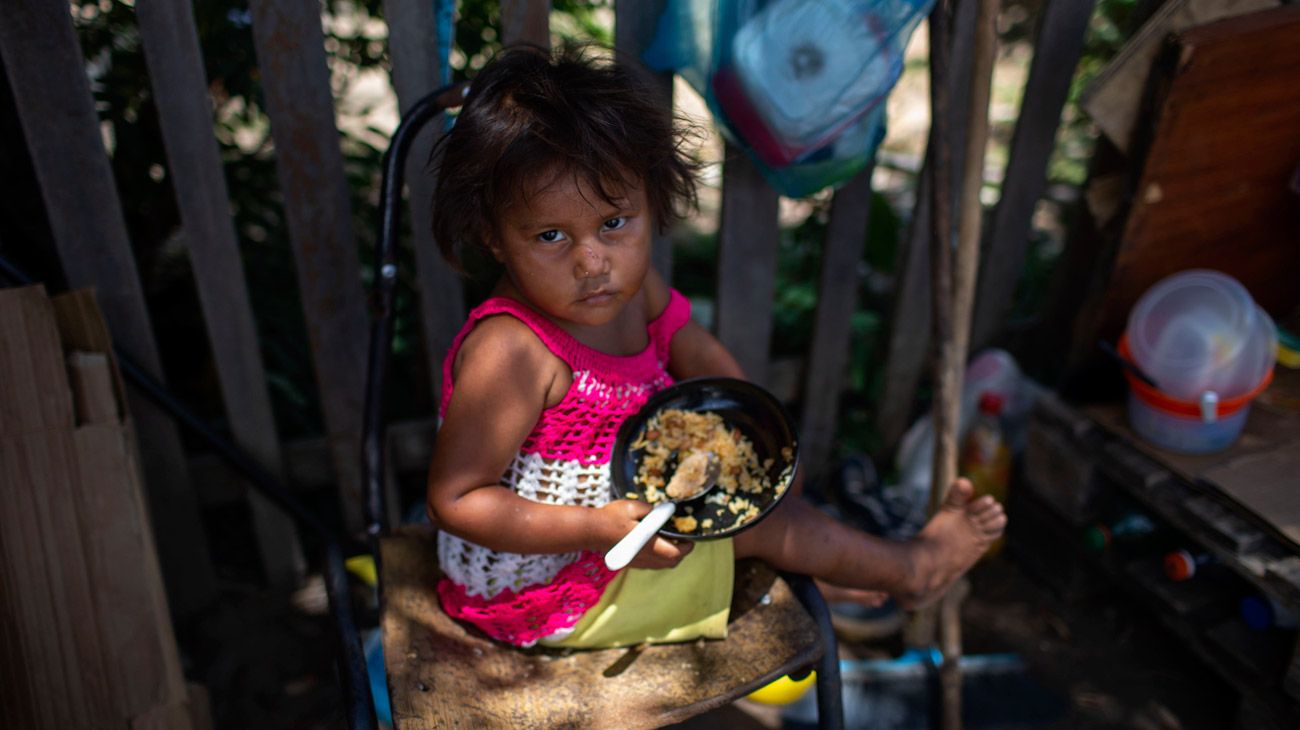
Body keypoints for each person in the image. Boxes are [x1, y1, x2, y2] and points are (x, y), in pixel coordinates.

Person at [425, 44, 1005, 649]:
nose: (591, 262)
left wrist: (765, 438)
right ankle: (912, 570)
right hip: (548, 592)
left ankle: (829, 567)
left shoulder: (632, 289)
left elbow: (695, 350)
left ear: (651, 202)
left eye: (614, 224)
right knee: (774, 526)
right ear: (494, 237)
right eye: (550, 235)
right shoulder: (513, 351)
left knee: (764, 503)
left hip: (623, 533)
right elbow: (456, 499)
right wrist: (594, 528)